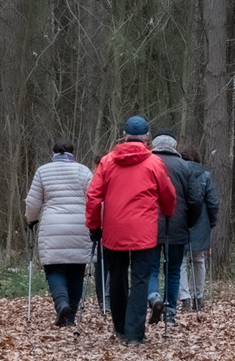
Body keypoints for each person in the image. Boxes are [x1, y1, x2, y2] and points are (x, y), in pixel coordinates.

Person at [85, 116, 176, 345]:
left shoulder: (107, 162)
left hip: (114, 232)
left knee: (116, 279)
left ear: (124, 135)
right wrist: (167, 211)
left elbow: (93, 196)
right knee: (139, 281)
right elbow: (168, 195)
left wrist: (94, 226)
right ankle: (134, 333)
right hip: (143, 233)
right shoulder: (154, 164)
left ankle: (120, 327)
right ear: (146, 138)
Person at [23, 139, 94, 327]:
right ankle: (70, 317)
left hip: (52, 228)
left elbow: (32, 203)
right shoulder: (83, 171)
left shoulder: (43, 171)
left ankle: (61, 304)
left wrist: (30, 219)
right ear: (73, 153)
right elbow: (94, 199)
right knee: (77, 271)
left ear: (53, 153)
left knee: (54, 269)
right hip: (80, 227)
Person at [147, 132, 204, 325]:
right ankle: (170, 311)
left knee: (152, 268)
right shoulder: (185, 167)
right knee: (172, 269)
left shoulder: (146, 164)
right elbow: (196, 200)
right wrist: (189, 222)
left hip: (150, 225)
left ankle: (154, 297)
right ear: (174, 145)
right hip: (177, 225)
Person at [177, 145, 220, 310]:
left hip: (180, 221)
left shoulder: (177, 174)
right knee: (199, 259)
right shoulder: (205, 176)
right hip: (200, 222)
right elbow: (213, 203)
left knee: (180, 261)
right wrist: (212, 221)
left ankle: (185, 298)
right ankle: (198, 297)